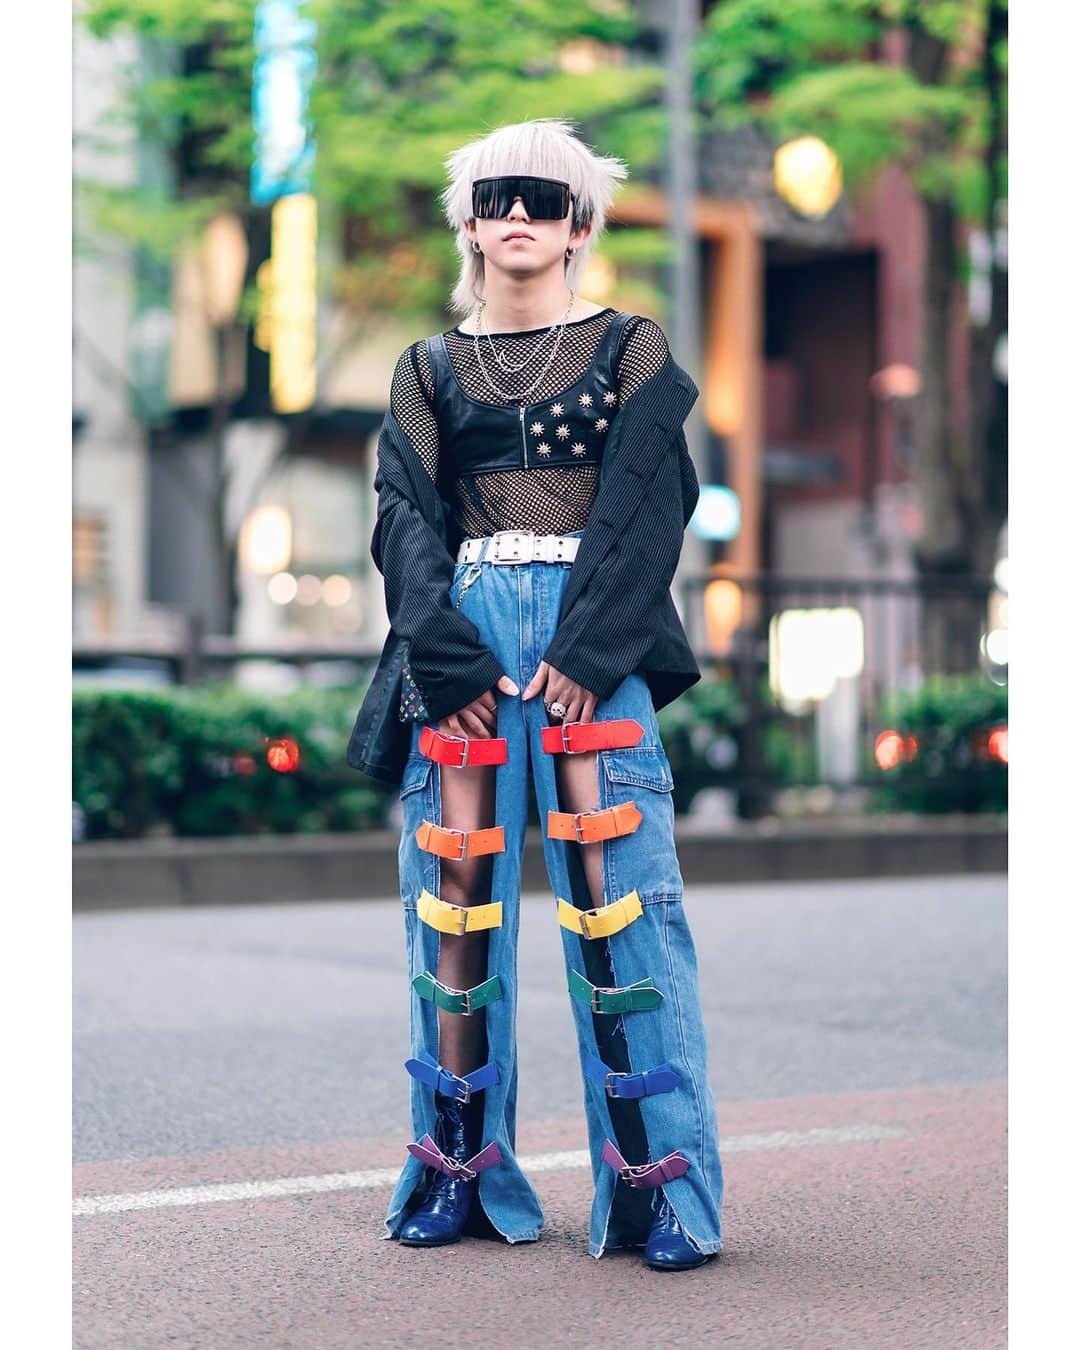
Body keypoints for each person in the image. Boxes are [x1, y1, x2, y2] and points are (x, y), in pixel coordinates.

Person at [351, 118, 725, 1270]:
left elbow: (653, 505)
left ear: (580, 224)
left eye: (547, 199)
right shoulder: (426, 368)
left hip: (588, 646)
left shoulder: (631, 348)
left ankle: (662, 1189)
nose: (520, 215)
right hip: (462, 641)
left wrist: (591, 646)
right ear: (468, 219)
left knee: (621, 912)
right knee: (452, 912)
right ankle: (455, 1170)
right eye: (498, 196)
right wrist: (448, 659)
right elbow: (402, 516)